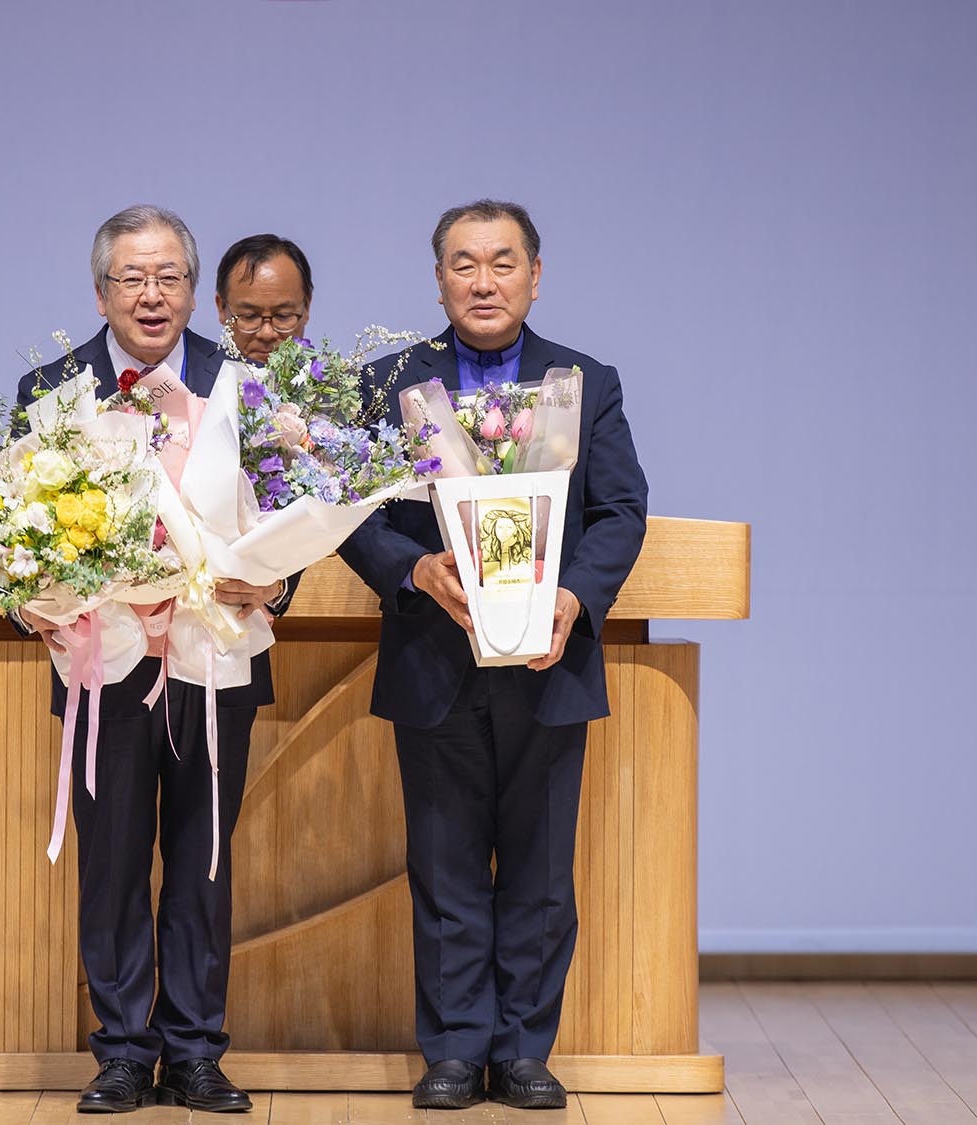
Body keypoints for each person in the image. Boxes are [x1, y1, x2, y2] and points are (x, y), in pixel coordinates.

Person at [336, 199, 649, 1111]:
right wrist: (413, 568)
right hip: (436, 656)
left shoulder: (585, 382)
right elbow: (350, 510)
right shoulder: (391, 382)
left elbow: (619, 510)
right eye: (464, 264)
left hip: (549, 658)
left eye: (502, 263)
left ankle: (521, 1052)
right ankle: (453, 1050)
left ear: (535, 276)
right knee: (444, 869)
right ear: (438, 279)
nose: (483, 281)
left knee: (542, 874)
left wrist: (573, 596)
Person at [13, 204, 295, 1114]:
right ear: (101, 291)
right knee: (113, 865)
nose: (152, 294)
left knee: (203, 862)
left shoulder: (243, 382)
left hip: (215, 655)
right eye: (132, 278)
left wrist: (277, 580)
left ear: (194, 292)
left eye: (169, 277)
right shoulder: (52, 392)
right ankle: (124, 1053)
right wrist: (29, 600)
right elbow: (18, 532)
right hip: (106, 664)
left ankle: (196, 1051)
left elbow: (288, 512)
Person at [212, 233, 312, 364]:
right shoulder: (192, 376)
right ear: (221, 307)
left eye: (283, 315)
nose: (267, 334)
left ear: (306, 307)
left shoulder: (334, 375)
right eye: (250, 316)